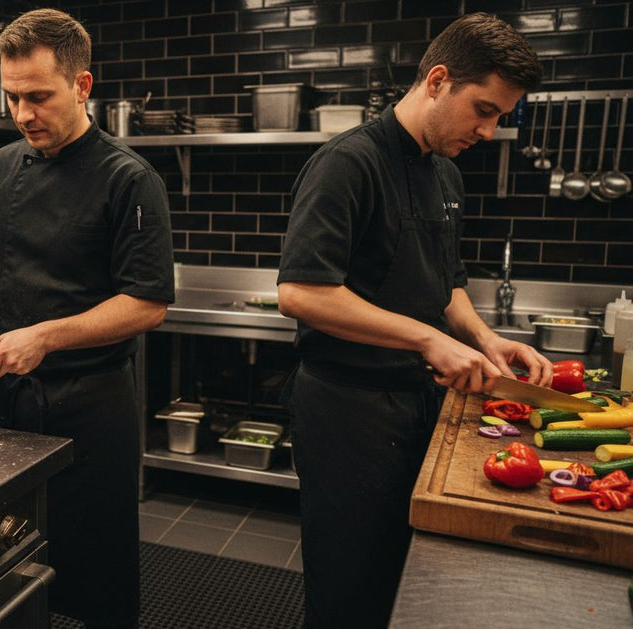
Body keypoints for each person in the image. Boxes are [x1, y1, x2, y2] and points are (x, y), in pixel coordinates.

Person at [277, 13, 552, 628]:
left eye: (501, 117)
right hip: (349, 411)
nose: (488, 129)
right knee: (348, 586)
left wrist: (485, 338)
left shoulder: (446, 171)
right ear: (437, 80)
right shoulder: (348, 164)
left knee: (404, 576)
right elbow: (301, 292)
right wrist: (429, 339)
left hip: (419, 406)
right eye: (482, 110)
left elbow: (445, 281)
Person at [0, 8, 174, 628]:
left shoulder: (129, 179)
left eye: (38, 97)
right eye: (11, 97)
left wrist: (44, 337)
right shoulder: (2, 166)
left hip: (91, 408)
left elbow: (147, 301)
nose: (22, 114)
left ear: (82, 85)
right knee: (5, 558)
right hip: (10, 399)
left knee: (95, 569)